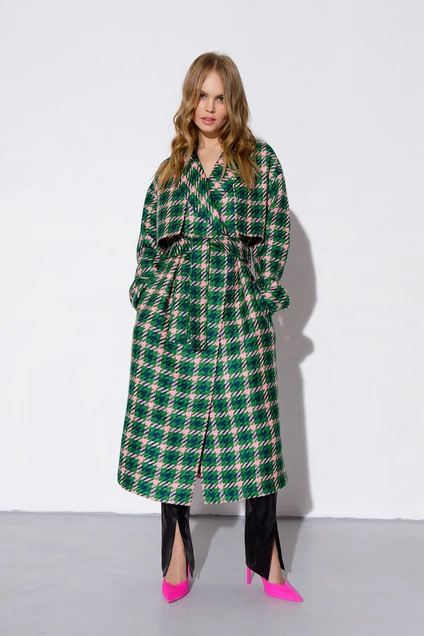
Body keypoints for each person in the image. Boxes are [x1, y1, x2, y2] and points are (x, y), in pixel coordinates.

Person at [117, 52, 303, 604]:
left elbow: (276, 233)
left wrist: (261, 295)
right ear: (189, 99)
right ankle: (177, 554)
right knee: (169, 441)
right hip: (175, 313)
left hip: (236, 307)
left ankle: (267, 558)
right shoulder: (170, 171)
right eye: (202, 95)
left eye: (220, 97)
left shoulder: (259, 162)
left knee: (256, 439)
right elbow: (147, 243)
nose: (210, 107)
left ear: (233, 102)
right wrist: (148, 295)